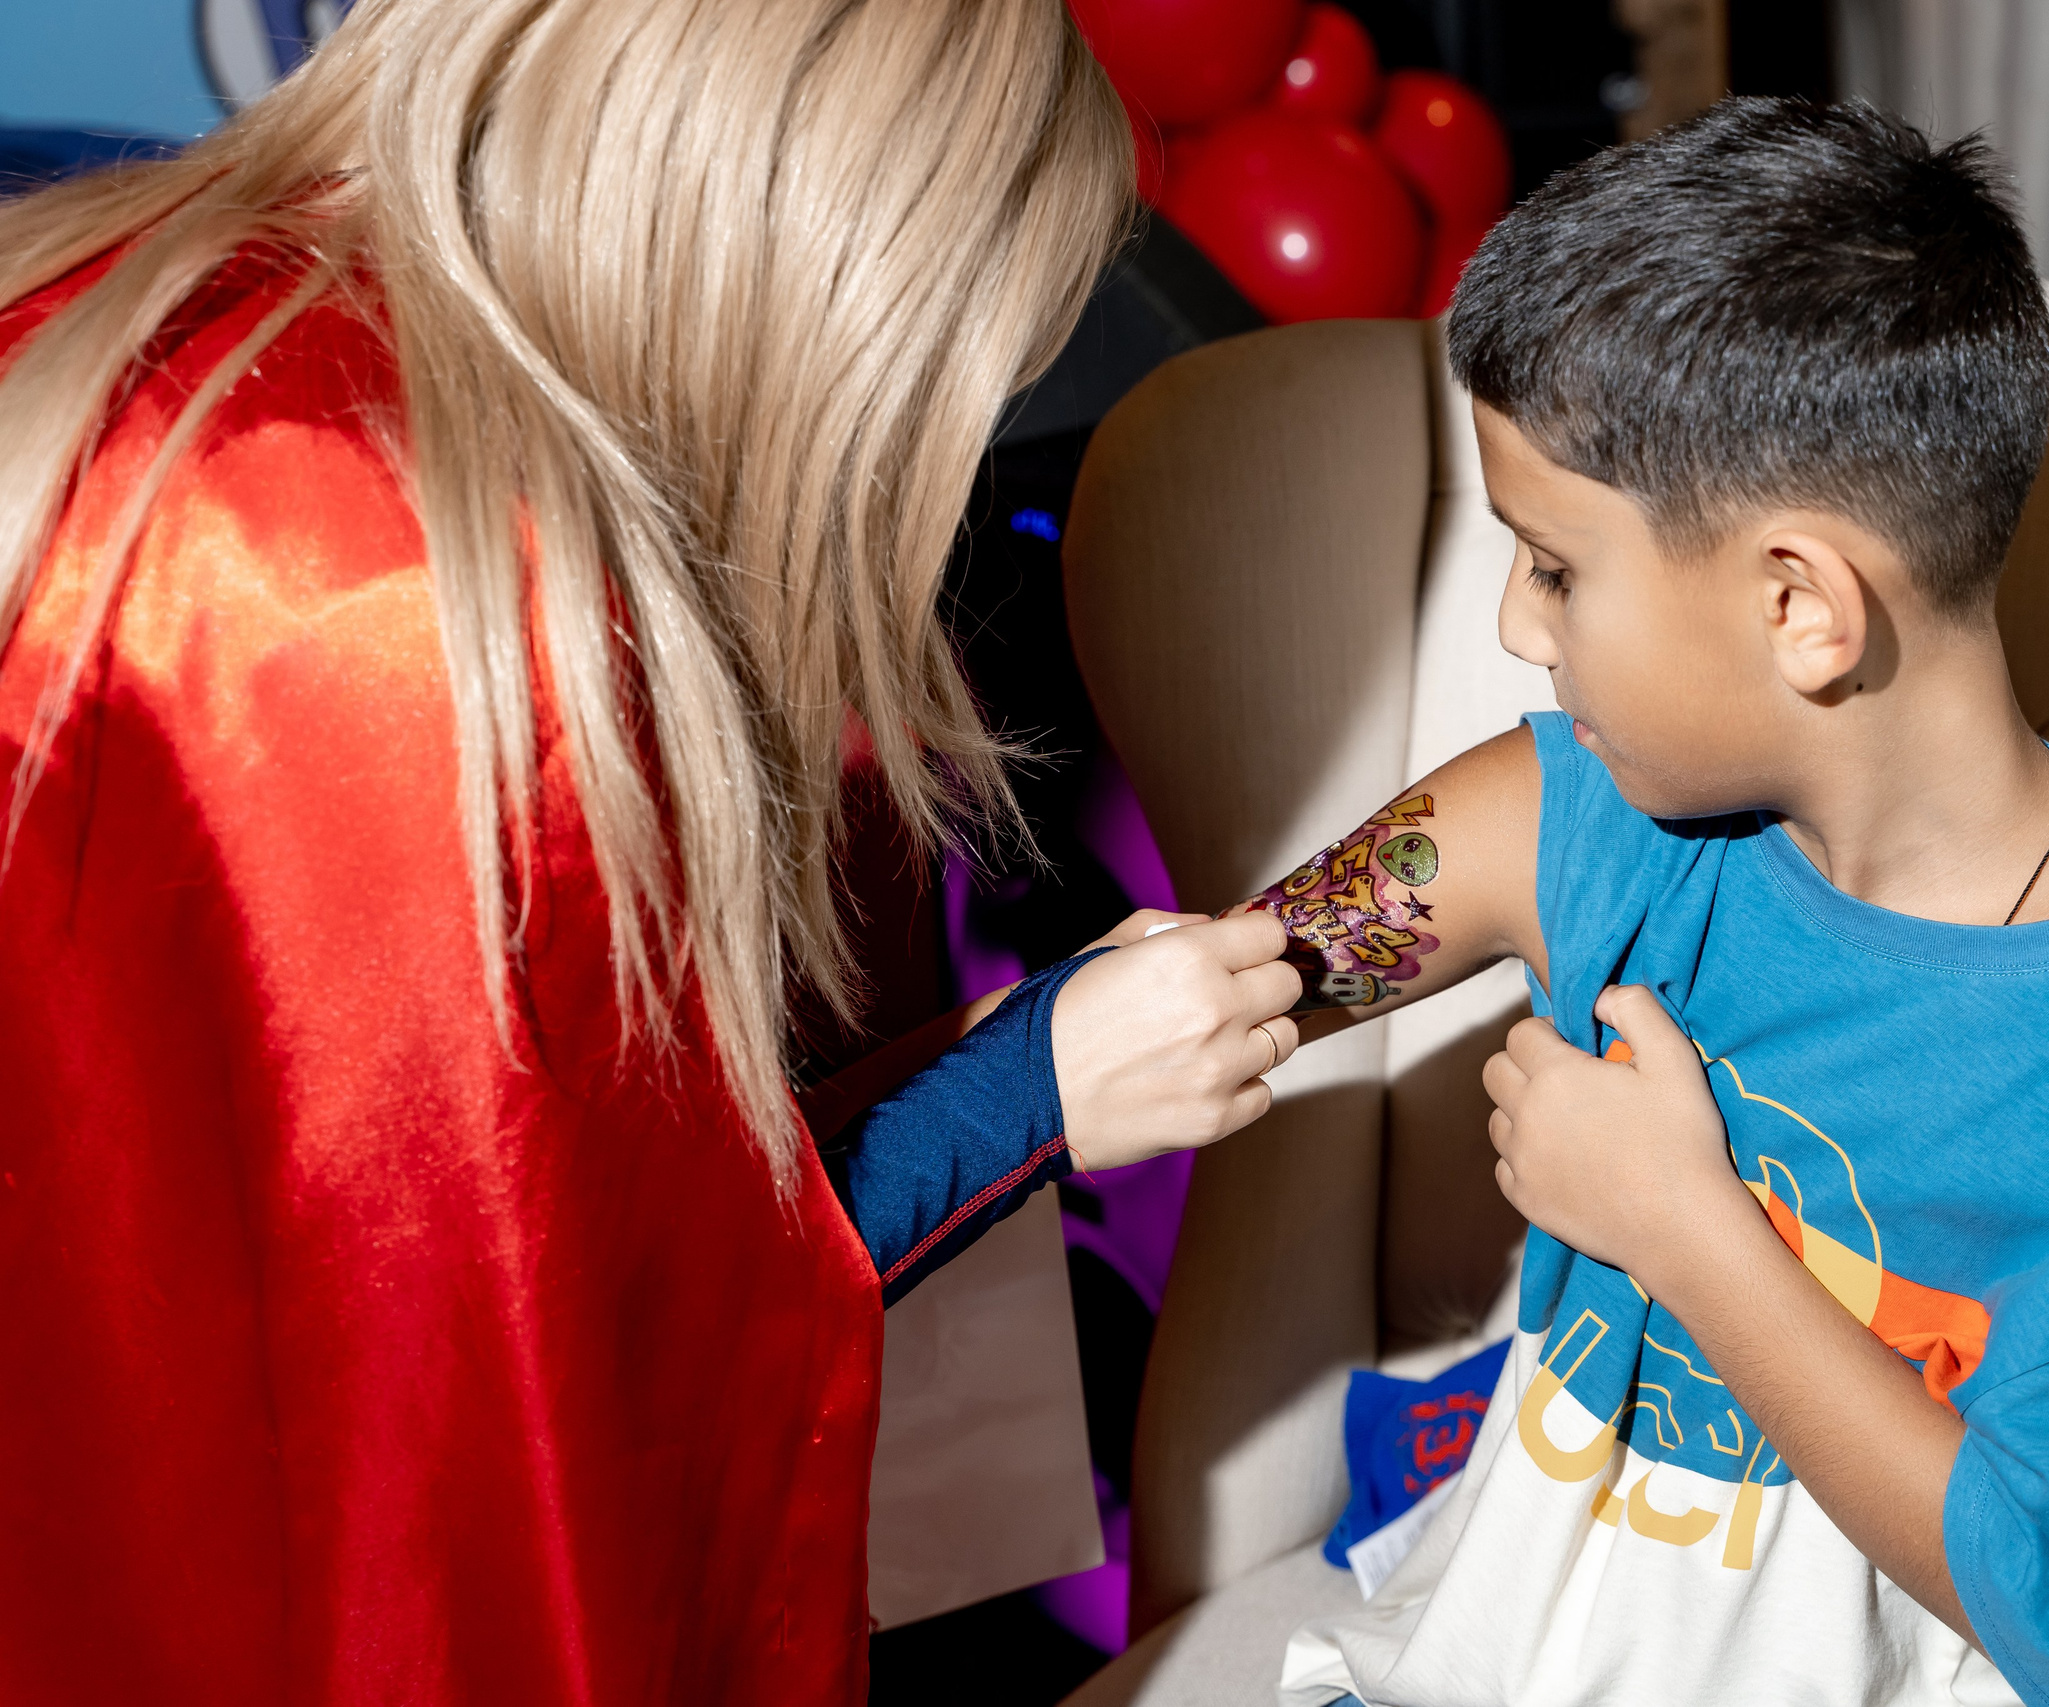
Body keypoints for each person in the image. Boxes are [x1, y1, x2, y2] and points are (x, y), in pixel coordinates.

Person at [0, 2, 1299, 1701]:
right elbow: (542, 1432)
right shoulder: (403, 592)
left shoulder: (146, 335)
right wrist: (1027, 1092)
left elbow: (426, 1244)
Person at [1226, 102, 2049, 1706]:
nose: (1524, 629)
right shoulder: (1579, 806)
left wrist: (1681, 1227)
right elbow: (1235, 984)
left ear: (1802, 605)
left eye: (1555, 565)